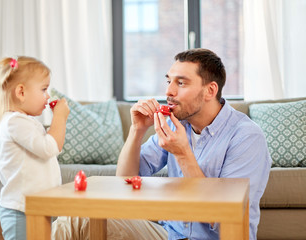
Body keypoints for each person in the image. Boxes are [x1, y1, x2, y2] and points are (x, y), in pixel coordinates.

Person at [51, 48, 271, 240]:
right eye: (169, 81)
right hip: (169, 234)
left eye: (181, 83)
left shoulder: (246, 137)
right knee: (77, 219)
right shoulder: (177, 125)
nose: (169, 92)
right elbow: (124, 181)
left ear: (210, 91)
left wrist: (184, 154)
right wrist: (137, 131)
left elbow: (224, 218)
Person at [0, 56, 70, 240]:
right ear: (21, 92)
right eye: (43, 89)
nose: (48, 95)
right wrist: (59, 118)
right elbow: (49, 148)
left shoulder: (26, 121)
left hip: (36, 207)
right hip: (21, 210)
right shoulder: (14, 122)